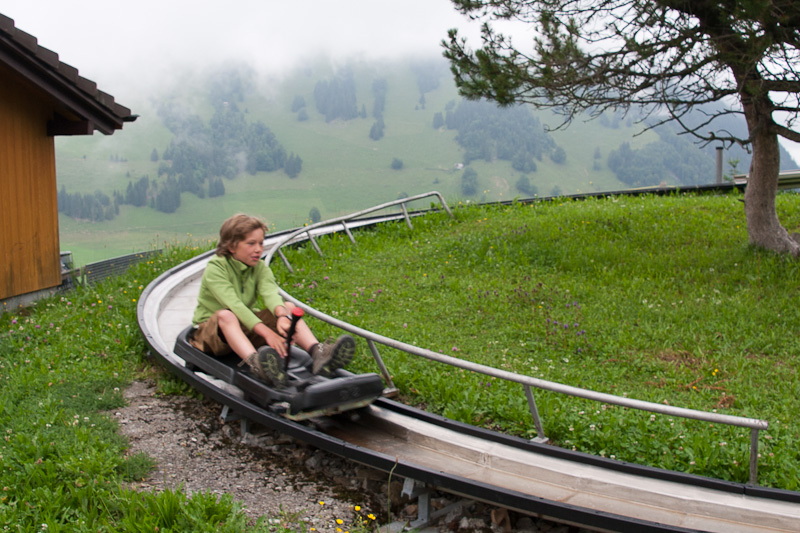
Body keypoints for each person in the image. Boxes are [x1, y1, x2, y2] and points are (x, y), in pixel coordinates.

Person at [190, 213, 355, 387]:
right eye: (251, 243)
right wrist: (268, 333)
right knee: (227, 315)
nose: (258, 249)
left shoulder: (259, 268)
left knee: (288, 307)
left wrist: (282, 316)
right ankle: (257, 365)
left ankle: (318, 353)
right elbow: (235, 305)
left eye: (261, 243)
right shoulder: (216, 268)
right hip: (211, 334)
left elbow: (270, 293)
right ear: (231, 246)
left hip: (243, 328)